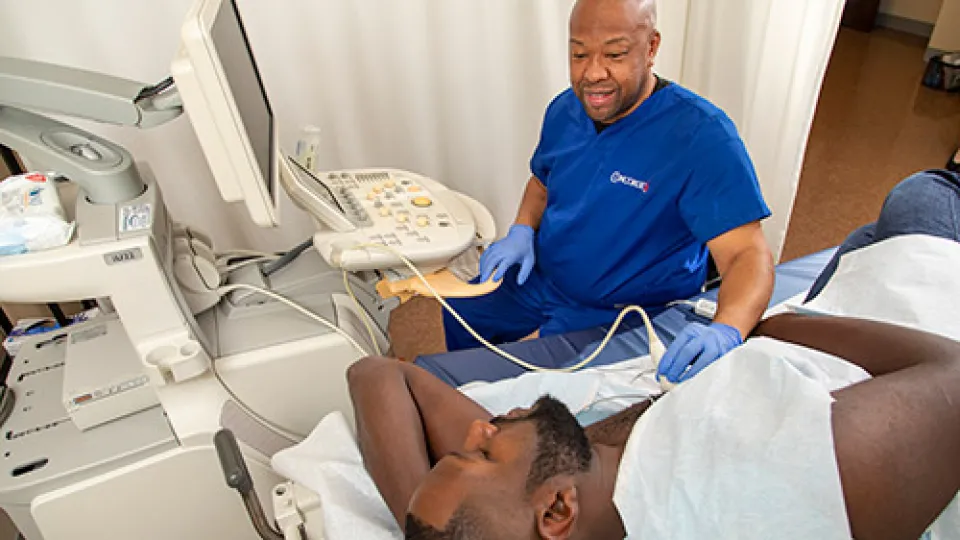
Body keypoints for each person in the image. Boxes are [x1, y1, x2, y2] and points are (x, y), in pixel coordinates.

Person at [349, 169, 960, 538]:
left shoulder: (568, 486)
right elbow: (952, 373)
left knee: (870, 231)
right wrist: (762, 331)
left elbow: (377, 375)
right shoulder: (784, 472)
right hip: (922, 291)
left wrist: (424, 527)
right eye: (481, 453)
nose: (478, 426)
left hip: (845, 288)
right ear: (556, 510)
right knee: (925, 189)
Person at [442, 0, 774, 384]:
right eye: (579, 54)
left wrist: (727, 329)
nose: (593, 73)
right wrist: (521, 231)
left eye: (615, 54)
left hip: (621, 312)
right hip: (544, 277)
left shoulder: (701, 136)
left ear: (651, 48)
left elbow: (748, 254)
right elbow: (542, 183)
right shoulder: (565, 110)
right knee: (460, 312)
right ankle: (465, 393)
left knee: (530, 394)